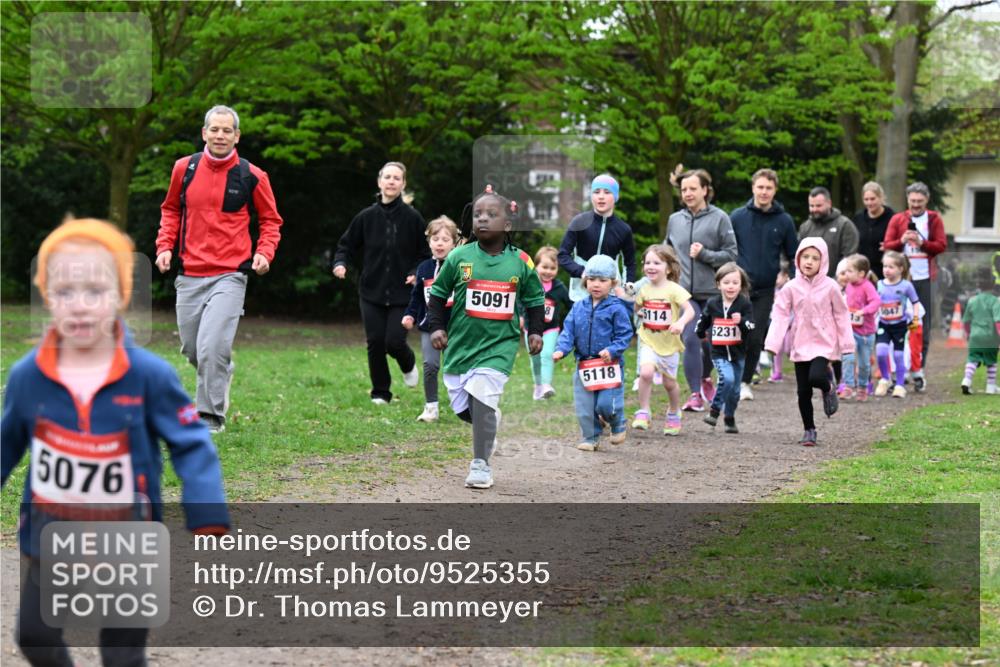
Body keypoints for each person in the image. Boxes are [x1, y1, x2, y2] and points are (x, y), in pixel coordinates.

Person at [3, 218, 229, 666]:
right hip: (53, 534)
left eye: (96, 291)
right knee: (34, 636)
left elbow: (190, 442)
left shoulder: (148, 375)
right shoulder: (29, 376)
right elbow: (6, 443)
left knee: (122, 655)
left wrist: (206, 509)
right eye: (65, 292)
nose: (81, 306)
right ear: (48, 298)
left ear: (120, 296)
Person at [156, 105, 283, 433]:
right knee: (192, 348)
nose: (220, 135)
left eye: (227, 130)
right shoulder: (184, 169)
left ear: (237, 136)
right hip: (189, 272)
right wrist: (164, 247)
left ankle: (209, 417)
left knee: (213, 348)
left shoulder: (252, 176)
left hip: (230, 273)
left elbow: (270, 221)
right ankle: (220, 372)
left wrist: (264, 252)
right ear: (204, 133)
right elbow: (171, 210)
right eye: (215, 129)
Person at [426, 186, 545, 489]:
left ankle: (480, 464)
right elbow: (438, 295)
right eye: (478, 214)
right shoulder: (458, 256)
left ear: (507, 225)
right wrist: (438, 327)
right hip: (461, 346)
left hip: (499, 346)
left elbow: (534, 302)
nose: (482, 219)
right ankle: (488, 422)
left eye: (491, 215)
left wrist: (534, 331)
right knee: (466, 409)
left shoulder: (521, 261)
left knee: (482, 397)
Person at [333, 161, 430, 405]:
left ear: (403, 184)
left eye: (397, 178)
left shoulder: (413, 218)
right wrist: (340, 263)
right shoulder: (366, 217)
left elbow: (425, 254)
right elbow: (346, 245)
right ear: (379, 182)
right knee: (375, 342)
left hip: (403, 292)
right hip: (371, 290)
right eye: (387, 177)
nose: (391, 181)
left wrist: (415, 271)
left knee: (394, 341)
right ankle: (380, 392)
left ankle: (407, 363)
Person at [764, 238, 854, 447]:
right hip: (800, 341)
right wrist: (773, 343)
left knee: (816, 377)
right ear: (798, 259)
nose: (809, 262)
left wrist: (847, 344)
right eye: (805, 257)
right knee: (803, 391)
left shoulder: (831, 286)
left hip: (825, 341)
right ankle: (809, 430)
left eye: (815, 258)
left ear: (822, 262)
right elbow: (780, 314)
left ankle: (828, 385)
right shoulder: (791, 287)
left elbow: (841, 315)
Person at [665, 168, 738, 412]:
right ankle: (695, 393)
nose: (687, 193)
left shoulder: (720, 218)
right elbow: (668, 252)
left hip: (714, 294)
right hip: (685, 293)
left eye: (693, 188)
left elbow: (731, 255)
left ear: (705, 190)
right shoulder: (675, 220)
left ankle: (706, 378)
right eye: (684, 189)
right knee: (691, 337)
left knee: (710, 343)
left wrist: (705, 254)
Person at [730, 168, 799, 402]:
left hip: (766, 289)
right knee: (733, 334)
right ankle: (729, 377)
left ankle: (745, 381)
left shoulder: (784, 220)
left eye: (768, 188)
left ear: (775, 190)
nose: (764, 192)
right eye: (760, 187)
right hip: (738, 288)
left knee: (755, 336)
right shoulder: (738, 217)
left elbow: (793, 254)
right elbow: (728, 249)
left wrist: (792, 277)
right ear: (753, 188)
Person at [553, 255, 634, 450]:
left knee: (605, 405)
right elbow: (569, 331)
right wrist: (561, 350)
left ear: (613, 283)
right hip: (584, 366)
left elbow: (625, 334)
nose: (596, 284)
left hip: (609, 365)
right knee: (585, 408)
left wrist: (612, 350)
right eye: (592, 279)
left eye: (602, 280)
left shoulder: (617, 308)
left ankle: (617, 422)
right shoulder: (578, 307)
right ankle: (590, 437)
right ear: (585, 281)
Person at [882, 181, 947, 392]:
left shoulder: (934, 219)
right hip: (901, 279)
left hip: (924, 278)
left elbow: (941, 246)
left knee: (921, 325)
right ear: (907, 200)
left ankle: (919, 370)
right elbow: (887, 245)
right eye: (912, 201)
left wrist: (922, 243)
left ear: (926, 200)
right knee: (896, 324)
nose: (916, 205)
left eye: (920, 201)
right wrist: (902, 240)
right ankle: (898, 370)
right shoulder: (898, 219)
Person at [631, 244, 696, 436]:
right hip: (648, 340)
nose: (650, 266)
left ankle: (674, 412)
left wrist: (681, 324)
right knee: (646, 373)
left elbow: (690, 310)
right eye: (647, 262)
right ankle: (643, 411)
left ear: (668, 268)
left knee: (669, 384)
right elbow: (636, 308)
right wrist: (642, 312)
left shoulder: (674, 289)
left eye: (656, 263)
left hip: (669, 345)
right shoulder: (644, 290)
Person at [402, 215, 461, 422]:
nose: (440, 244)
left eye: (445, 240)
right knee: (430, 365)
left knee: (457, 365)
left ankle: (463, 404)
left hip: (456, 326)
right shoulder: (424, 268)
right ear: (429, 242)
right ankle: (431, 408)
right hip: (429, 326)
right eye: (435, 239)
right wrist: (410, 314)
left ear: (454, 243)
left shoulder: (460, 266)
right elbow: (417, 296)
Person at [695, 262, 755, 434]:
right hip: (719, 352)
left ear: (741, 285)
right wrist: (700, 333)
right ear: (718, 284)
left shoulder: (744, 304)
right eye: (726, 282)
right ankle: (714, 411)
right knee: (726, 380)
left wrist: (741, 321)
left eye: (735, 283)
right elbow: (704, 319)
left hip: (738, 353)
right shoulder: (713, 303)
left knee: (735, 392)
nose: (731, 286)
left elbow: (751, 326)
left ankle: (729, 417)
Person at [558, 174, 637, 300]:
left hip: (611, 295)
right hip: (580, 294)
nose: (601, 196)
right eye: (596, 192)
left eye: (607, 192)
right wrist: (582, 272)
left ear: (615, 197)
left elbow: (630, 263)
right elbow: (562, 255)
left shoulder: (624, 229)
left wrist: (628, 289)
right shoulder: (579, 222)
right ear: (591, 197)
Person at [873, 251, 922, 399]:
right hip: (884, 324)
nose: (886, 270)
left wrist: (914, 318)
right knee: (881, 351)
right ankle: (884, 379)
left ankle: (900, 385)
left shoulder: (906, 286)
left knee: (898, 355)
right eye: (885, 266)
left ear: (900, 269)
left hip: (900, 325)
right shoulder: (880, 284)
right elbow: (876, 303)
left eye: (891, 267)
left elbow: (915, 303)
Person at [530, 245, 572, 400]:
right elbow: (521, 301)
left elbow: (570, 304)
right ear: (536, 266)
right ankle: (538, 386)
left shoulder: (559, 287)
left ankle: (546, 384)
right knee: (535, 358)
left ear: (557, 269)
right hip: (532, 329)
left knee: (547, 354)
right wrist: (521, 316)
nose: (548, 271)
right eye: (544, 267)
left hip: (551, 329)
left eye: (552, 268)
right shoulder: (530, 283)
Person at [840, 254, 881, 401]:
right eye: (845, 271)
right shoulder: (848, 286)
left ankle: (863, 388)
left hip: (866, 333)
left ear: (861, 273)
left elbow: (876, 302)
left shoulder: (867, 287)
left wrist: (864, 311)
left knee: (864, 363)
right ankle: (848, 386)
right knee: (848, 357)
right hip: (850, 331)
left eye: (850, 271)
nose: (846, 274)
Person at [797, 186, 859, 279]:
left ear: (829, 203)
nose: (814, 209)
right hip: (808, 284)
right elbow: (798, 255)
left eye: (818, 206)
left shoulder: (844, 225)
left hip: (837, 282)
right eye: (811, 206)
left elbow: (849, 257)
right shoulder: (805, 227)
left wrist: (837, 279)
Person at [961, 267, 1000, 395]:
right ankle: (990, 386)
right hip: (990, 337)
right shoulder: (996, 301)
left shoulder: (972, 300)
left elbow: (966, 320)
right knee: (991, 361)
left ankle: (966, 380)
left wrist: (968, 334)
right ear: (993, 284)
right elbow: (997, 321)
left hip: (975, 336)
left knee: (972, 359)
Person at [852, 181, 895, 280]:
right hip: (862, 270)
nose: (869, 203)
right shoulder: (858, 218)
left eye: (872, 199)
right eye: (866, 199)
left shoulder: (892, 217)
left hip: (884, 270)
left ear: (881, 198)